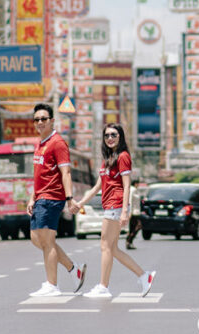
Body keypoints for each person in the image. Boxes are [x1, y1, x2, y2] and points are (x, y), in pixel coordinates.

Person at [71, 122, 155, 299]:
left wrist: (124, 211)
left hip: (115, 205)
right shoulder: (108, 159)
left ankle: (103, 286)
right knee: (113, 248)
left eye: (114, 135)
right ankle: (143, 275)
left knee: (105, 246)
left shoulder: (123, 156)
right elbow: (97, 187)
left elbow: (126, 186)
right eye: (107, 135)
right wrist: (80, 203)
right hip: (110, 205)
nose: (110, 138)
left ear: (120, 137)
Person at [26, 103, 86, 297]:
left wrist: (69, 198)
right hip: (40, 196)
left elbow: (66, 172)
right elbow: (38, 174)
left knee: (47, 240)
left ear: (52, 121)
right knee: (37, 239)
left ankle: (52, 285)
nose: (40, 122)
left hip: (52, 197)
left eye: (44, 119)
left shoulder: (58, 142)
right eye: (37, 119)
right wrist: (31, 197)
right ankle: (72, 268)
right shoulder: (40, 143)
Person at [125, 184, 142, 250]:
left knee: (132, 227)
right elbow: (130, 201)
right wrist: (130, 212)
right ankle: (129, 239)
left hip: (135, 212)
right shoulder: (133, 190)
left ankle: (129, 242)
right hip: (134, 212)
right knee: (138, 225)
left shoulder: (133, 189)